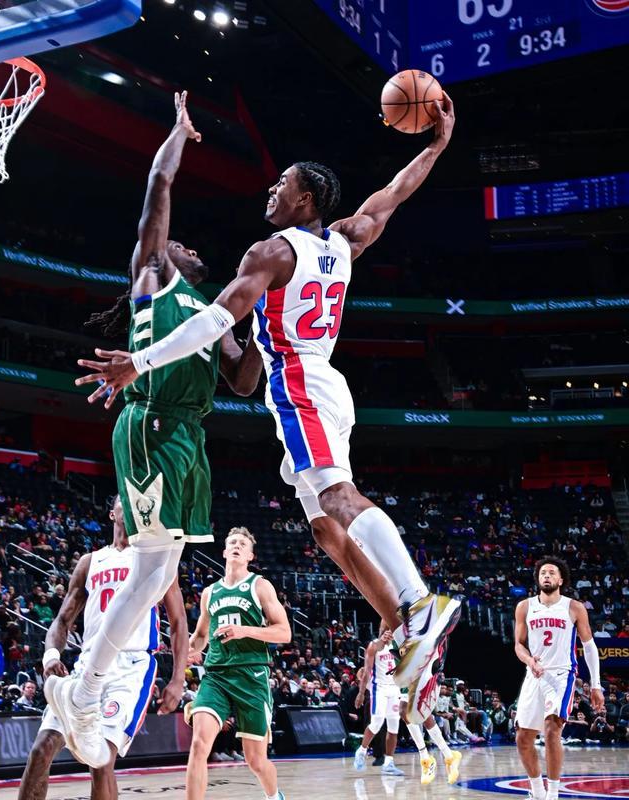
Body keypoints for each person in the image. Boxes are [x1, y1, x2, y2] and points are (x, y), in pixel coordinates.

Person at [77, 92, 460, 710]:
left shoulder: (271, 252)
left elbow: (218, 319)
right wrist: (437, 144)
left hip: (299, 381)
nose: (273, 190)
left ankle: (419, 602)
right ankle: (401, 628)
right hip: (325, 380)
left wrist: (138, 362)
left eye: (283, 184)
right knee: (326, 528)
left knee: (337, 498)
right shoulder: (347, 239)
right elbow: (393, 193)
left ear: (304, 199)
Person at [46, 92, 262, 768]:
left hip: (189, 437)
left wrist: (265, 328)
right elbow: (158, 184)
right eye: (176, 242)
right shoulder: (152, 275)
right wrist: (177, 132)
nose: (181, 243)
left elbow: (243, 381)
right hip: (153, 424)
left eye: (187, 246)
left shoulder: (212, 312)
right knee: (150, 567)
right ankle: (84, 688)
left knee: (162, 568)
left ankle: (84, 688)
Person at [19, 496, 188, 800]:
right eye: (125, 499)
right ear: (112, 513)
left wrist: (178, 679)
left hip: (130, 666)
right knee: (41, 749)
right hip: (88, 664)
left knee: (101, 760)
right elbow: (62, 620)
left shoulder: (155, 561)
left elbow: (178, 622)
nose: (132, 503)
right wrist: (51, 656)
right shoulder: (90, 562)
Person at [185, 527, 290, 800]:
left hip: (251, 675)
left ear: (250, 556)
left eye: (243, 544)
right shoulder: (210, 592)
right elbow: (201, 637)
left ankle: (274, 796)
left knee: (256, 761)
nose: (236, 546)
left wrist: (244, 631)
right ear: (224, 551)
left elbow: (284, 632)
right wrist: (184, 651)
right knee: (199, 745)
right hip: (216, 676)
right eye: (232, 542)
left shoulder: (260, 586)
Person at [514, 557, 604, 800]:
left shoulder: (574, 607)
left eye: (552, 572)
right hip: (534, 673)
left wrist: (596, 685)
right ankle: (537, 792)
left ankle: (553, 795)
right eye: (543, 572)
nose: (547, 575)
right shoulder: (524, 606)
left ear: (561, 580)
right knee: (523, 738)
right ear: (538, 578)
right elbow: (519, 645)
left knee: (552, 729)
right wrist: (529, 661)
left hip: (562, 674)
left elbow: (589, 646)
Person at [400, 642, 462, 785]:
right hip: (409, 669)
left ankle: (440, 756)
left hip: (426, 669)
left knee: (420, 712)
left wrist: (438, 666)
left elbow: (443, 639)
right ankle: (439, 755)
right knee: (405, 711)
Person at [353, 624, 404, 776]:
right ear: (382, 631)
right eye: (386, 630)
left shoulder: (399, 645)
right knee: (377, 722)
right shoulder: (374, 646)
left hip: (394, 688)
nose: (389, 633)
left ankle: (389, 763)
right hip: (379, 688)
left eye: (391, 630)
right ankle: (362, 751)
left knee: (394, 726)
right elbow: (367, 671)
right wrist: (361, 693)